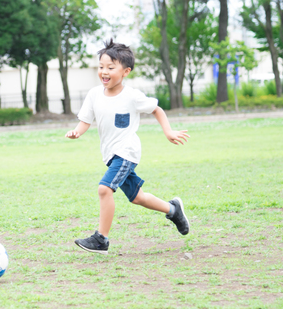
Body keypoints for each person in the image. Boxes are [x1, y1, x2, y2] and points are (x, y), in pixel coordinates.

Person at [65, 39, 190, 254]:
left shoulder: (132, 96)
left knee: (104, 189)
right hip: (112, 155)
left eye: (110, 68)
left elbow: (157, 109)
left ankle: (101, 240)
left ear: (126, 71)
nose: (104, 72)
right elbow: (86, 120)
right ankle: (173, 209)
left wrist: (168, 131)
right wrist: (77, 131)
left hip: (127, 152)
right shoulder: (94, 95)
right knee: (137, 197)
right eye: (101, 67)